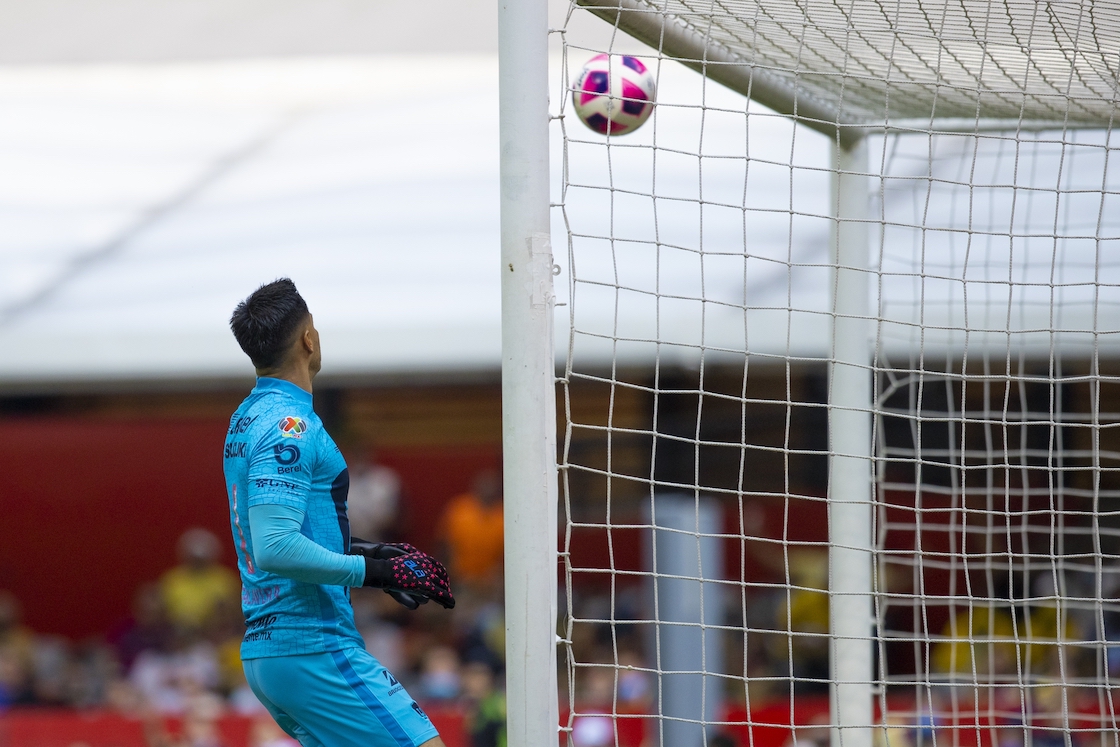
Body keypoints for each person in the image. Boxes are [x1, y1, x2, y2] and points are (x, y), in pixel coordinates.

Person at [224, 279, 455, 747]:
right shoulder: (290, 426)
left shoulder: (246, 418)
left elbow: (279, 526)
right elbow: (275, 546)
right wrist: (374, 570)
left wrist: (371, 553)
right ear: (310, 338)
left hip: (273, 650)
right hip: (312, 643)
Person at [160, 529, 239, 634]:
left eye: (201, 559)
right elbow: (163, 612)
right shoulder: (172, 580)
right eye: (193, 558)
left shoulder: (225, 580)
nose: (197, 563)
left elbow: (235, 612)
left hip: (216, 635)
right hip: (179, 635)